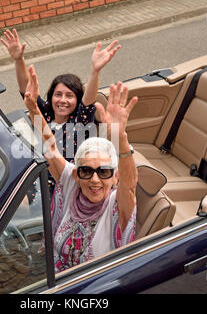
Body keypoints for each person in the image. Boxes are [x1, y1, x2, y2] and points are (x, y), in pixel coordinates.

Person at [23, 65, 139, 273]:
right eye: (86, 171)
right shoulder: (71, 185)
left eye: (104, 172)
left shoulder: (116, 205)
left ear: (115, 177)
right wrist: (33, 110)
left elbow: (129, 186)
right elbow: (50, 146)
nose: (95, 180)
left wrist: (120, 138)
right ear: (76, 174)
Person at [1, 29, 121, 195]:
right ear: (51, 97)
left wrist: (95, 71)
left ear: (77, 101)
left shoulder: (80, 122)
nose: (63, 100)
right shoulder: (45, 114)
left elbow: (88, 101)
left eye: (70, 96)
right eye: (58, 94)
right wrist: (19, 59)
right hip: (33, 175)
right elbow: (26, 91)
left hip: (58, 189)